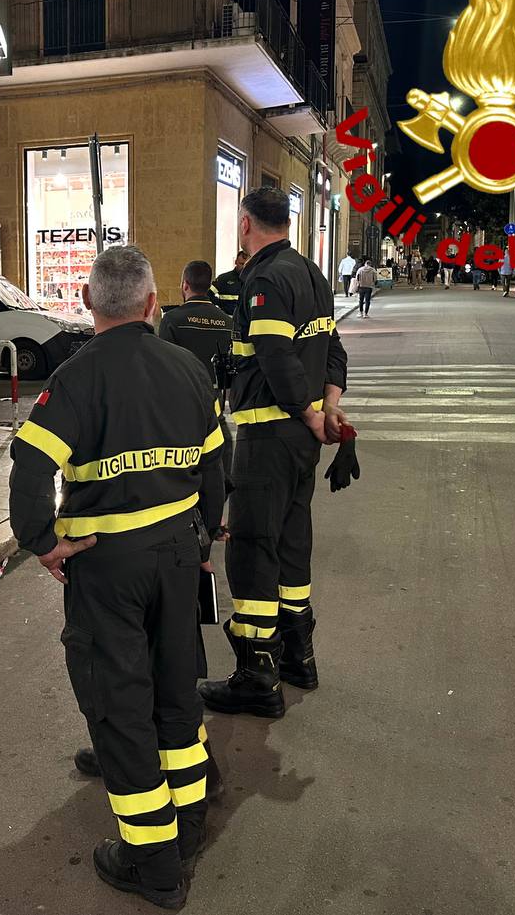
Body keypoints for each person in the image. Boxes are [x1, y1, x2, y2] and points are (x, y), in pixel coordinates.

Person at [9, 246, 224, 909]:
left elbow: (30, 466)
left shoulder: (76, 377)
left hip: (107, 566)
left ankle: (153, 861)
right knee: (176, 689)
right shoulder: (188, 367)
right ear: (153, 304)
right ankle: (188, 821)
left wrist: (42, 542)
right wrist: (206, 534)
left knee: (119, 705)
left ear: (86, 302)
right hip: (179, 556)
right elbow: (217, 463)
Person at [198, 187, 352, 721]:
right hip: (302, 443)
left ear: (245, 224)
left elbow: (275, 356)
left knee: (252, 548)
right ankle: (298, 657)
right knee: (291, 542)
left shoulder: (264, 279)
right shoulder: (311, 273)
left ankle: (257, 677)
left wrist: (309, 414)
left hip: (268, 436)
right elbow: (333, 350)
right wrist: (328, 409)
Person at [157, 260, 234, 482]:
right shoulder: (227, 322)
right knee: (219, 466)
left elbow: (165, 369)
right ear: (209, 285)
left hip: (180, 410)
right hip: (213, 409)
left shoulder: (172, 320)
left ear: (185, 285)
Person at [210, 250, 247, 316]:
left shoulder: (252, 279)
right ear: (236, 262)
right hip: (226, 317)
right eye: (241, 264)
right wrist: (221, 303)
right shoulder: (223, 278)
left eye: (246, 264)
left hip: (245, 319)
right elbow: (209, 294)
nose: (243, 267)